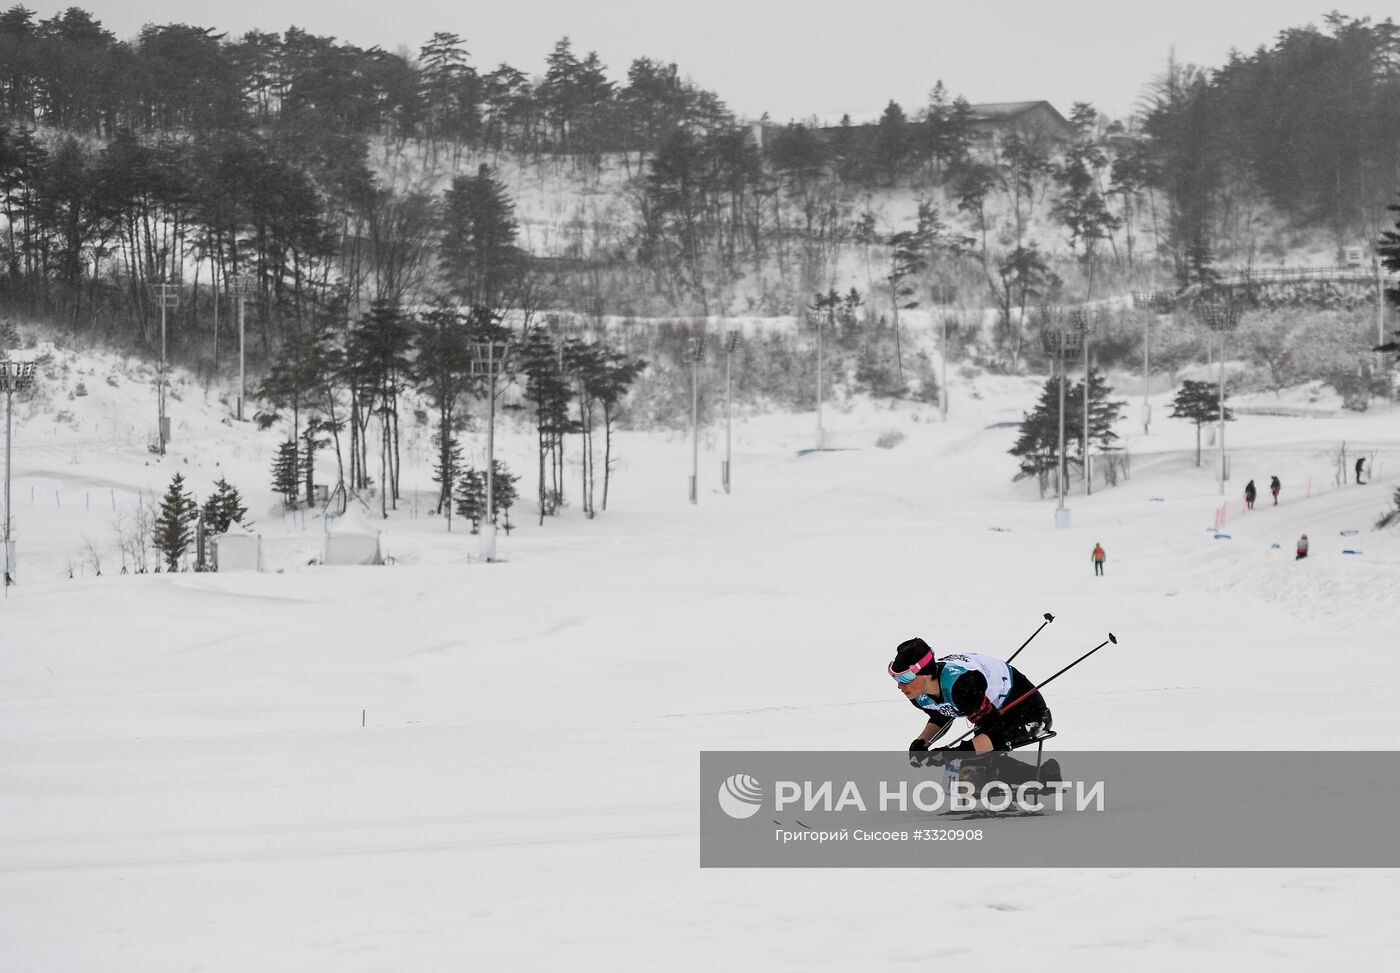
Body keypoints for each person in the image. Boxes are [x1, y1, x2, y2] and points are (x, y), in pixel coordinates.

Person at [889, 638, 1059, 785]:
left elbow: (995, 736)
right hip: (993, 711)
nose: (899, 685)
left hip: (1028, 712)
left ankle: (1045, 777)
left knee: (972, 765)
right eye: (896, 678)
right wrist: (923, 742)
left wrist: (951, 754)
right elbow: (941, 712)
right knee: (969, 765)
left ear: (926, 673)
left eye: (905, 678)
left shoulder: (962, 687)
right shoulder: (918, 693)